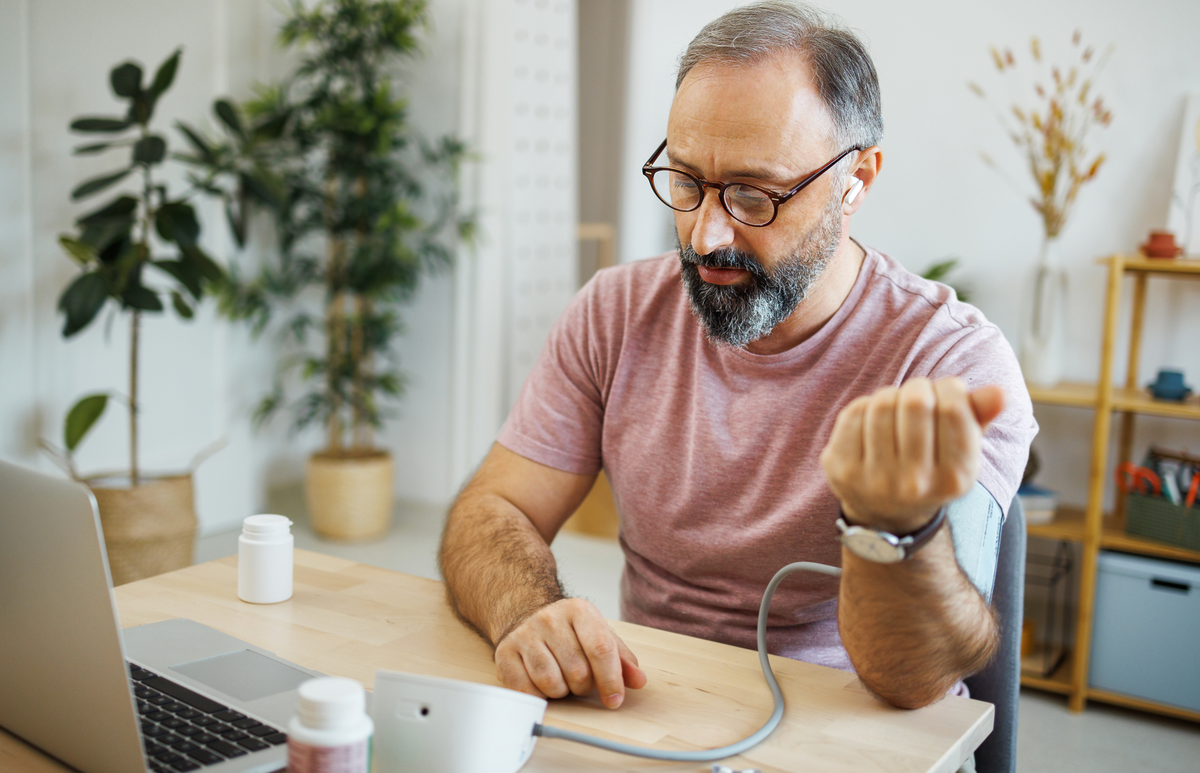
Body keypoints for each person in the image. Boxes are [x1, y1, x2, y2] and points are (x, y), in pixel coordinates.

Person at [439, 0, 1036, 716]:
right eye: (687, 182)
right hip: (650, 708)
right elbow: (490, 507)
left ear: (858, 181)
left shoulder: (949, 361)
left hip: (844, 727)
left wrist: (890, 527)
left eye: (754, 194)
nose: (706, 233)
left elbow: (913, 679)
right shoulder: (616, 311)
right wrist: (526, 611)